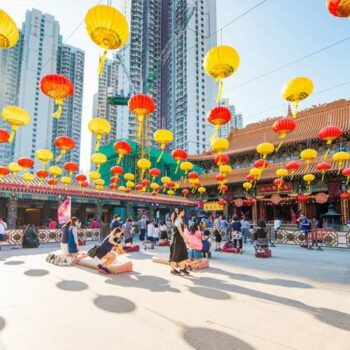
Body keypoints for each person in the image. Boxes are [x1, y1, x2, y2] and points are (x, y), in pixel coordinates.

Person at [169, 208, 189, 275]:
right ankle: (173, 270)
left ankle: (182, 269)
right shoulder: (177, 220)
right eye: (183, 211)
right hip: (177, 240)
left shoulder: (180, 219)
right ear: (180, 212)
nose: (184, 212)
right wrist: (186, 239)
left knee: (184, 254)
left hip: (180, 240)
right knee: (175, 255)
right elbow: (180, 232)